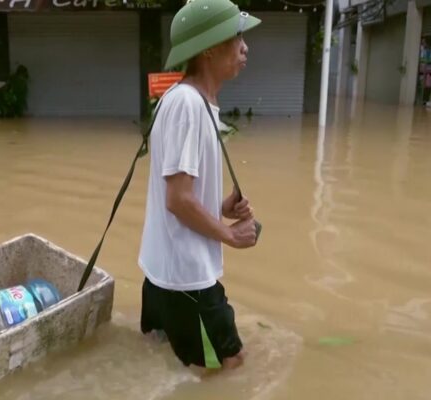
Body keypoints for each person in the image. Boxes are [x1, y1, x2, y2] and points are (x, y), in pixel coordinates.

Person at [138, 0, 261, 371]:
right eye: (236, 37)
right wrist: (229, 234)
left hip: (166, 270)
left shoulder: (190, 101)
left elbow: (181, 192)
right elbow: (177, 200)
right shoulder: (188, 105)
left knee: (163, 361)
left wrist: (220, 205)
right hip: (188, 279)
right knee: (233, 366)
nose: (245, 47)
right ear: (208, 47)